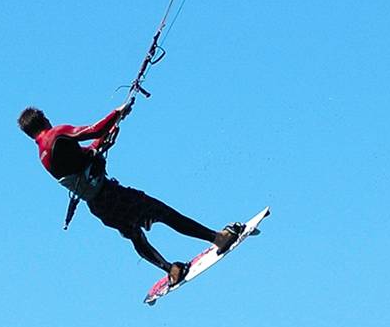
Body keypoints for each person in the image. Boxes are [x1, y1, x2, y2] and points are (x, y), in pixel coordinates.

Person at [19, 102, 243, 287]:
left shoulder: (43, 156)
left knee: (134, 234)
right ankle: (218, 238)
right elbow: (93, 130)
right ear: (44, 119)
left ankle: (170, 269)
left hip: (98, 206)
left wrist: (108, 134)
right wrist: (117, 112)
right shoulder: (56, 134)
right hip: (111, 194)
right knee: (162, 212)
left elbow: (88, 152)